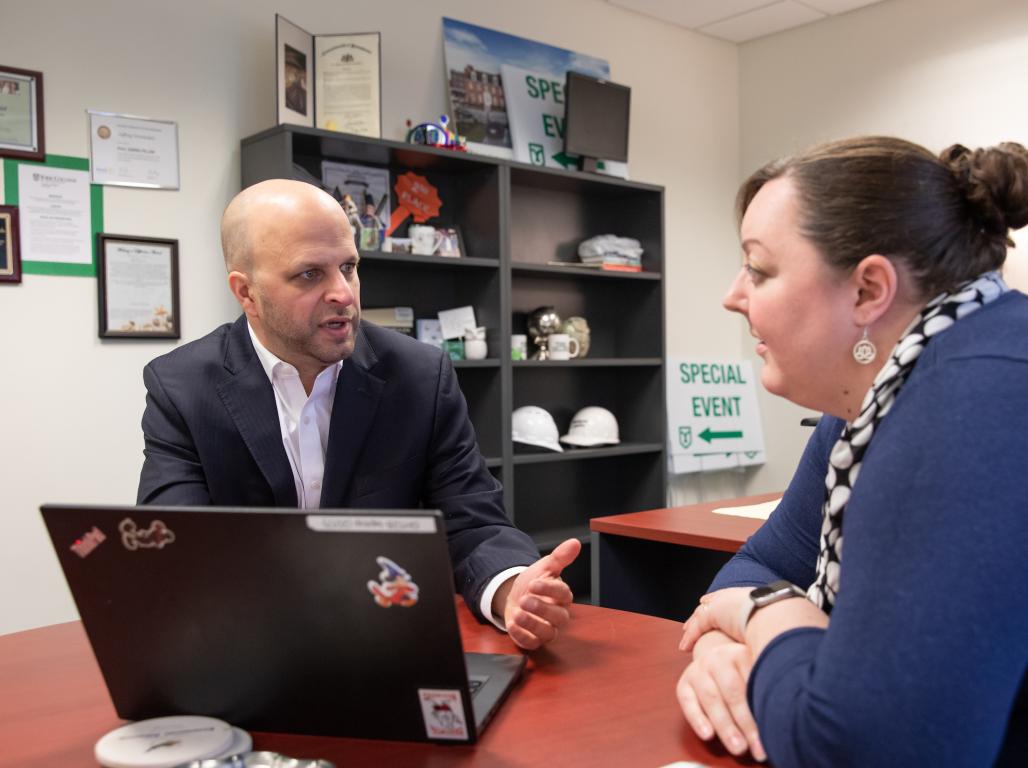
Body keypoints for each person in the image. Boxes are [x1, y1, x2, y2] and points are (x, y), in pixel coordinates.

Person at [676, 137, 1028, 766]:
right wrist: (720, 653)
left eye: (758, 270)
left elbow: (861, 751)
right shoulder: (869, 404)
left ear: (867, 290)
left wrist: (764, 617)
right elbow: (759, 565)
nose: (733, 295)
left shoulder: (975, 401)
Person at [137, 179, 580, 650]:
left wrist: (510, 588)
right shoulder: (183, 387)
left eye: (348, 267)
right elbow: (172, 548)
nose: (344, 294)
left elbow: (474, 522)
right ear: (246, 293)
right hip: (245, 647)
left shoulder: (419, 377)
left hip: (384, 641)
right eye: (310, 274)